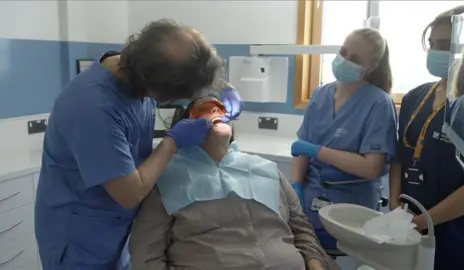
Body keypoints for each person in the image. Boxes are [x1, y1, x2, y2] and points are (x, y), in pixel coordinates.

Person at [34, 19, 243, 270]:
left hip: (119, 231)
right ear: (154, 86)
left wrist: (216, 88)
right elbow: (129, 193)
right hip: (81, 241)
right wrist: (173, 142)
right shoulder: (93, 107)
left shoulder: (134, 68)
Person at [129, 96, 339, 270]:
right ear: (186, 127)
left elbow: (301, 230)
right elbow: (146, 254)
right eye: (204, 110)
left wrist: (315, 264)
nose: (215, 113)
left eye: (220, 109)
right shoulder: (166, 180)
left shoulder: (266, 170)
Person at [290, 27, 397, 252]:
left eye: (355, 58)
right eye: (343, 52)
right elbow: (302, 151)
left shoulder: (378, 103)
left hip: (350, 209)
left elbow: (372, 168)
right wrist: (296, 186)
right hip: (309, 200)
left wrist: (318, 151)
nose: (344, 59)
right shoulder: (320, 95)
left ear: (371, 66)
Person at [389, 6, 464, 270]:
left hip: (453, 232)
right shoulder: (414, 98)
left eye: (445, 44)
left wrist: (422, 221)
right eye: (432, 44)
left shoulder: (461, 107)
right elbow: (399, 157)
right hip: (407, 222)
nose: (434, 52)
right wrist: (395, 206)